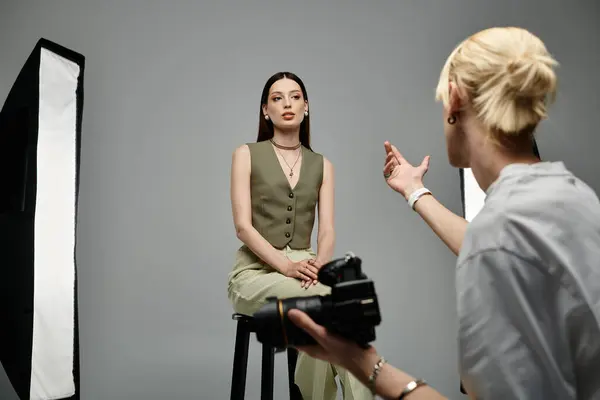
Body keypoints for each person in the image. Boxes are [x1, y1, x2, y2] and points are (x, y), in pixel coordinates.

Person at [288, 26, 600, 399]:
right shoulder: (576, 199)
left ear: (453, 99)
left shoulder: (496, 242)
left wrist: (363, 364)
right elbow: (494, 243)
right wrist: (414, 191)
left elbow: (491, 247)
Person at [227, 71, 373, 399]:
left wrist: (320, 264)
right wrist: (287, 266)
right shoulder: (246, 154)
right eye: (277, 98)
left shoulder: (323, 165)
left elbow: (328, 229)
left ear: (306, 106)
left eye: (294, 97)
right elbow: (243, 227)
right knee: (327, 305)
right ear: (266, 110)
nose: (287, 104)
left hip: (308, 269)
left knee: (345, 308)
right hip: (254, 273)